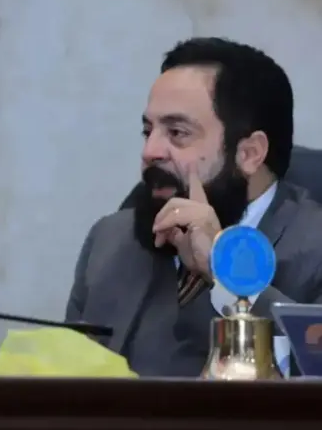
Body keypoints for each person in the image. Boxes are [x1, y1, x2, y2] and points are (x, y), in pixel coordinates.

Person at [65, 37, 322, 377]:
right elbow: (66, 382)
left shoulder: (313, 247)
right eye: (148, 131)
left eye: (177, 132)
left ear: (249, 154)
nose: (150, 151)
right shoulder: (111, 240)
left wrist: (224, 269)